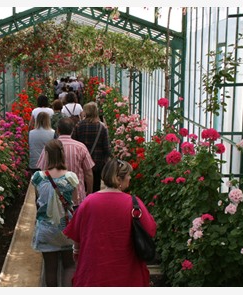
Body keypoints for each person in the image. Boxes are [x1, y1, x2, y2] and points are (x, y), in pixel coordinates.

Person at [63, 158, 157, 287]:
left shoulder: (88, 202)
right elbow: (150, 230)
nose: (130, 178)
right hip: (127, 271)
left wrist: (76, 252)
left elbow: (76, 234)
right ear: (119, 179)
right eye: (128, 175)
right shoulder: (134, 204)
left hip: (94, 271)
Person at [31, 139, 79, 287]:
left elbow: (37, 202)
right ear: (62, 154)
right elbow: (75, 204)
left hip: (46, 227)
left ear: (47, 155)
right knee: (69, 266)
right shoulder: (70, 177)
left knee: (50, 268)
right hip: (66, 228)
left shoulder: (38, 177)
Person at [37, 117, 94, 208]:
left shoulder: (49, 147)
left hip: (54, 197)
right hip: (77, 197)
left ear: (58, 130)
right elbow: (88, 174)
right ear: (72, 130)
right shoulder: (81, 147)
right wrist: (89, 193)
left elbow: (42, 171)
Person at [72, 101, 111, 192]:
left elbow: (74, 143)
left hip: (82, 161)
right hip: (97, 163)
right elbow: (107, 148)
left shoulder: (79, 126)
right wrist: (105, 161)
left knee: (82, 185)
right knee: (96, 186)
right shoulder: (102, 127)